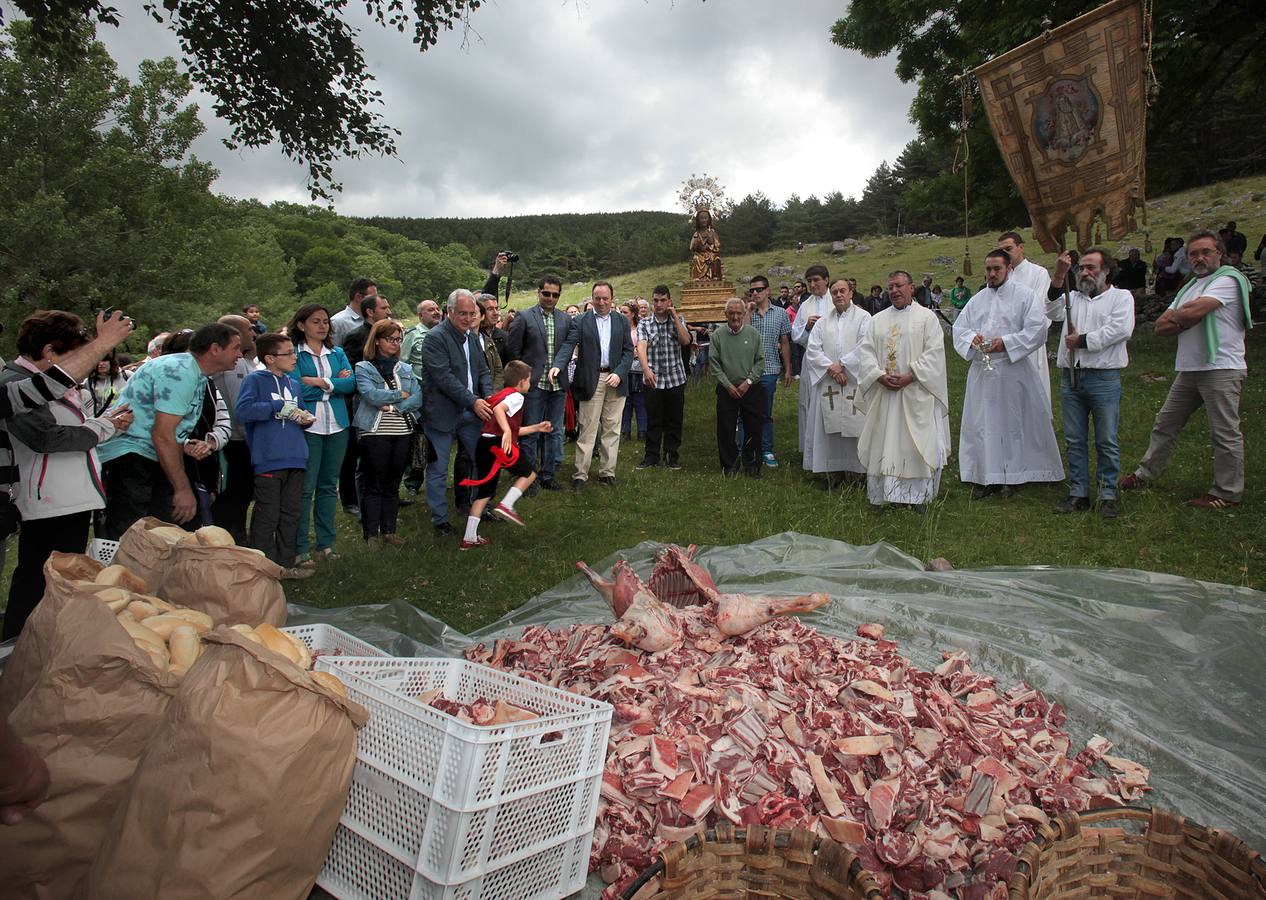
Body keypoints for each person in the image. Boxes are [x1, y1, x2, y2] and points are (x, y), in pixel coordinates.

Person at [1, 312, 133, 640]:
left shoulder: (39, 382)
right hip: (47, 501)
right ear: (49, 351)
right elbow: (46, 437)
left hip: (68, 499)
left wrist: (101, 425)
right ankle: (19, 649)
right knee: (35, 583)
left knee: (59, 584)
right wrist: (104, 427)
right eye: (75, 354)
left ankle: (47, 647)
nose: (83, 363)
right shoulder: (15, 380)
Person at [1121, 230, 1251, 508]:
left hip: (1221, 366)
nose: (1199, 258)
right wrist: (1190, 315)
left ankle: (1227, 492)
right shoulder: (1191, 285)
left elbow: (1186, 314)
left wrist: (1185, 316)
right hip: (1190, 368)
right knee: (1165, 423)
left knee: (1224, 431)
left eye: (1206, 252)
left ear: (1219, 253)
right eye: (1194, 253)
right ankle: (1146, 473)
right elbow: (1161, 326)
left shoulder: (1228, 279)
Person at [98, 323, 241, 539]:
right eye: (235, 348)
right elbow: (162, 435)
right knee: (131, 536)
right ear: (215, 349)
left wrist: (184, 444)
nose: (240, 354)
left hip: (149, 455)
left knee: (160, 532)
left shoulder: (196, 374)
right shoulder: (180, 372)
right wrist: (183, 489)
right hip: (133, 459)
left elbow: (163, 429)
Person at [953, 250, 1064, 498]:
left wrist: (1006, 343)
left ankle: (1013, 475)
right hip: (983, 371)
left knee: (1012, 423)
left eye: (997, 269)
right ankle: (987, 475)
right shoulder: (978, 299)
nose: (992, 274)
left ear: (1009, 269)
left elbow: (1037, 330)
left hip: (1013, 370)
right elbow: (960, 329)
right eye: (989, 269)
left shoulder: (1025, 297)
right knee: (983, 424)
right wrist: (972, 339)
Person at [842, 271, 950, 509]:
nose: (893, 291)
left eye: (899, 286)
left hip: (916, 392)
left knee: (915, 443)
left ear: (911, 288)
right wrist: (879, 376)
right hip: (886, 394)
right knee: (886, 441)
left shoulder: (927, 318)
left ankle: (917, 497)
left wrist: (911, 375)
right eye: (890, 287)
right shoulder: (877, 320)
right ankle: (886, 494)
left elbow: (934, 353)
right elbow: (866, 352)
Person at [1047, 248, 1135, 518]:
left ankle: (1107, 493)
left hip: (1103, 378)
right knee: (1074, 439)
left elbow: (1120, 329)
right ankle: (1079, 492)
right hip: (1071, 377)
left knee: (1106, 439)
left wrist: (1082, 340)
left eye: (1091, 268)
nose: (1085, 272)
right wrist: (1060, 275)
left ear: (1106, 270)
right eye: (1081, 268)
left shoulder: (1120, 298)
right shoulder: (1071, 298)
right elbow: (1049, 309)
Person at [235, 332, 314, 578]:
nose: (294, 357)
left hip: (296, 456)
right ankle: (261, 565)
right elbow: (243, 411)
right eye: (288, 353)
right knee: (268, 513)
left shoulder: (294, 384)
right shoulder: (255, 380)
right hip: (269, 457)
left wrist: (304, 419)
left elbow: (297, 411)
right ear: (270, 358)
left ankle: (286, 562)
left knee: (292, 512)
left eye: (294, 352)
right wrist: (275, 407)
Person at [458, 360, 553, 550]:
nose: (530, 383)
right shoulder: (517, 396)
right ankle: (507, 505)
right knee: (529, 473)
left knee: (485, 492)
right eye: (529, 380)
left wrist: (536, 427)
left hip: (484, 443)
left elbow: (510, 425)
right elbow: (499, 411)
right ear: (521, 382)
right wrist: (507, 432)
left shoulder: (498, 395)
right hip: (498, 445)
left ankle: (469, 538)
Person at [287, 304, 356, 563]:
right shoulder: (295, 353)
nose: (322, 325)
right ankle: (300, 545)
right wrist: (333, 385)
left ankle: (326, 543)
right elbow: (296, 391)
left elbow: (350, 384)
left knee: (328, 486)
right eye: (316, 321)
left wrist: (319, 382)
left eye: (325, 321)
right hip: (310, 426)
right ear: (301, 325)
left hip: (337, 424)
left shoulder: (336, 352)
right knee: (306, 488)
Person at [421, 291, 492, 535]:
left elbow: (483, 370)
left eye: (472, 314)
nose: (468, 318)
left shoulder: (471, 337)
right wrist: (473, 401)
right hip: (442, 413)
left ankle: (479, 506)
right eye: (463, 313)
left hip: (472, 413)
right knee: (439, 468)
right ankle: (440, 519)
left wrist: (490, 398)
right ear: (449, 312)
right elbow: (444, 378)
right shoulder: (435, 338)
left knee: (481, 461)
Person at [551, 282, 634, 488]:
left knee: (612, 428)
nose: (602, 302)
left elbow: (628, 351)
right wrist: (558, 365)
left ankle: (607, 472)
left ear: (612, 299)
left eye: (605, 298)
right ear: (592, 298)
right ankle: (580, 474)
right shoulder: (580, 320)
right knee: (587, 427)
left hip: (615, 379)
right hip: (591, 379)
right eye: (597, 298)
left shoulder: (622, 321)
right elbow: (569, 345)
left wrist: (619, 373)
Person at [355, 319, 424, 545]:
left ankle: (389, 530)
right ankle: (371, 533)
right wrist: (399, 395)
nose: (395, 344)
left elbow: (417, 397)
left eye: (398, 339)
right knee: (374, 481)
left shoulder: (405, 369)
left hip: (402, 429)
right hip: (375, 431)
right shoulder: (363, 367)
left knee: (393, 483)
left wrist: (394, 406)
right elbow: (371, 395)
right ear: (376, 341)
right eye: (390, 339)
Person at [505, 276, 570, 491]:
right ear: (538, 292)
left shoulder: (565, 319)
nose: (550, 298)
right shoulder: (524, 317)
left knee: (554, 431)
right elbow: (513, 352)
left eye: (555, 295)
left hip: (558, 386)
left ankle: (548, 475)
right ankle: (528, 478)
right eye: (546, 293)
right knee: (531, 432)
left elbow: (567, 349)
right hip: (533, 385)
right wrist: (521, 380)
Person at [802, 278, 870, 482]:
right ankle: (832, 470)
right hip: (828, 383)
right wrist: (831, 368)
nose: (838, 295)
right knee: (827, 429)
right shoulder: (823, 321)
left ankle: (858, 471)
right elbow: (813, 349)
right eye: (834, 292)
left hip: (853, 382)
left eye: (842, 291)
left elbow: (866, 345)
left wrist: (843, 364)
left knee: (855, 426)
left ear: (851, 293)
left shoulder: (864, 318)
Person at [209, 315, 259, 543]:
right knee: (238, 488)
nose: (253, 333)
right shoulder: (234, 366)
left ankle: (237, 529)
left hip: (244, 437)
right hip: (237, 439)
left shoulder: (248, 362)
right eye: (249, 329)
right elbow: (237, 405)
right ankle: (225, 530)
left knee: (245, 490)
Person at [635, 285, 691, 470]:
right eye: (655, 300)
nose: (658, 304)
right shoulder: (645, 323)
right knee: (654, 419)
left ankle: (672, 455)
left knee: (674, 419)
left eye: (662, 300)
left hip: (675, 377)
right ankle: (651, 456)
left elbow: (685, 341)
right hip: (654, 377)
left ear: (669, 301)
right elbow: (641, 347)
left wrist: (675, 317)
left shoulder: (678, 320)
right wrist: (646, 370)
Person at [997, 230, 1054, 412]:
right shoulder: (1000, 277)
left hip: (1029, 343)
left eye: (1009, 249)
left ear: (1021, 247)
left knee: (1032, 401)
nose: (1005, 254)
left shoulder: (1038, 274)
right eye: (1001, 251)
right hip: (1002, 343)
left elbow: (1039, 310)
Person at [709, 298, 766, 478]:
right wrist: (727, 385)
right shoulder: (717, 336)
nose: (735, 317)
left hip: (750, 388)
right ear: (725, 314)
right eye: (731, 313)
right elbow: (714, 364)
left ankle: (752, 465)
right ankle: (729, 465)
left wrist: (747, 382)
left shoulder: (753, 334)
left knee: (753, 428)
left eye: (738, 313)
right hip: (727, 390)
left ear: (744, 314)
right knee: (725, 428)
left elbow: (760, 361)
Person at [740, 276, 793, 467]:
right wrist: (748, 310)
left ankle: (766, 449)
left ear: (768, 291)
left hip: (770, 368)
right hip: (746, 369)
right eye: (752, 290)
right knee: (744, 411)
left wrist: (788, 369)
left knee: (765, 412)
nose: (755, 293)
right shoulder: (747, 312)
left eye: (759, 289)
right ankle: (744, 448)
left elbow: (785, 341)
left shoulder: (780, 313)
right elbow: (741, 333)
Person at [791, 265, 832, 454]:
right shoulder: (805, 306)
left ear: (826, 280)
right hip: (811, 359)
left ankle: (833, 448)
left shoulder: (837, 299)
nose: (813, 284)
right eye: (810, 281)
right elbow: (795, 335)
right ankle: (812, 449)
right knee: (810, 402)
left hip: (833, 360)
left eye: (816, 280)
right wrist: (807, 327)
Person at [342, 294, 394, 368]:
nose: (389, 312)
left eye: (388, 308)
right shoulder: (356, 336)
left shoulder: (389, 333)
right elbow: (352, 368)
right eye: (383, 308)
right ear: (370, 312)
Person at [620, 301, 647, 442]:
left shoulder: (640, 328)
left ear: (632, 314)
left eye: (625, 312)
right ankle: (626, 431)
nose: (622, 315)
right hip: (624, 370)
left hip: (638, 369)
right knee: (626, 402)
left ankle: (642, 431)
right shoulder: (618, 328)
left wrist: (638, 351)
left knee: (640, 401)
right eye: (621, 312)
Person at [330, 277, 377, 348]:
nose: (376, 302)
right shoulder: (337, 322)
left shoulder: (375, 319)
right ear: (358, 297)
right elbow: (333, 352)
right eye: (373, 298)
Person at [402, 299, 443, 380]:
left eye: (437, 309)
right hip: (420, 384)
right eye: (431, 310)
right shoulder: (412, 334)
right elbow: (402, 362)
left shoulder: (443, 334)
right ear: (421, 316)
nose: (436, 312)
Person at [80, 350, 127, 416]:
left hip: (126, 416)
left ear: (111, 362)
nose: (101, 364)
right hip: (104, 419)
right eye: (97, 361)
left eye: (104, 360)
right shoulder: (89, 382)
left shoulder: (126, 375)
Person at [689, 208, 722, 281]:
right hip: (700, 255)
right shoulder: (696, 233)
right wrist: (696, 244)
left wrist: (710, 245)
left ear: (709, 219)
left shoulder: (712, 232)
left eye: (705, 218)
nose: (704, 220)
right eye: (701, 218)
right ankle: (697, 278)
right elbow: (692, 248)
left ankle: (715, 277)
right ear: (698, 220)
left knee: (716, 259)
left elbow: (717, 247)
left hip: (711, 254)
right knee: (696, 258)